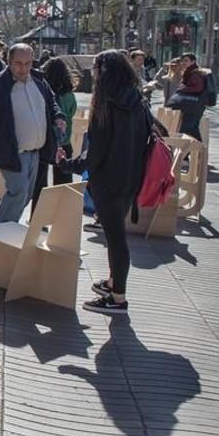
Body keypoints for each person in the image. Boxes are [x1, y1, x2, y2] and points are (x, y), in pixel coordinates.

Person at [58, 51, 150, 315]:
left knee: (116, 238)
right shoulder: (138, 101)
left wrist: (68, 165)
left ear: (102, 72)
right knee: (116, 234)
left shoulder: (106, 105)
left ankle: (118, 297)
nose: (93, 73)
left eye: (95, 68)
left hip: (108, 180)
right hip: (131, 177)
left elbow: (95, 152)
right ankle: (113, 283)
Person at [0, 43, 66, 225]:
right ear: (9, 62)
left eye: (28, 63)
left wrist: (58, 116)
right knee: (18, 191)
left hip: (35, 153)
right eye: (18, 63)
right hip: (11, 152)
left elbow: (51, 101)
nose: (23, 68)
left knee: (26, 195)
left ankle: (3, 232)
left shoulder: (39, 81)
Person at [30, 56, 78, 210]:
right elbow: (70, 115)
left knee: (41, 184)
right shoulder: (70, 96)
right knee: (64, 182)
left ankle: (38, 218)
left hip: (45, 142)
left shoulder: (42, 94)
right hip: (65, 143)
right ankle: (63, 214)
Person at [169, 53, 206, 141]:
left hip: (193, 106)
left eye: (186, 60)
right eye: (183, 61)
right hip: (194, 105)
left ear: (193, 61)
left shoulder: (195, 73)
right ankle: (200, 150)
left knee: (184, 130)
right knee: (193, 130)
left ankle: (185, 153)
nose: (183, 63)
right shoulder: (190, 72)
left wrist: (184, 88)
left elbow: (198, 88)